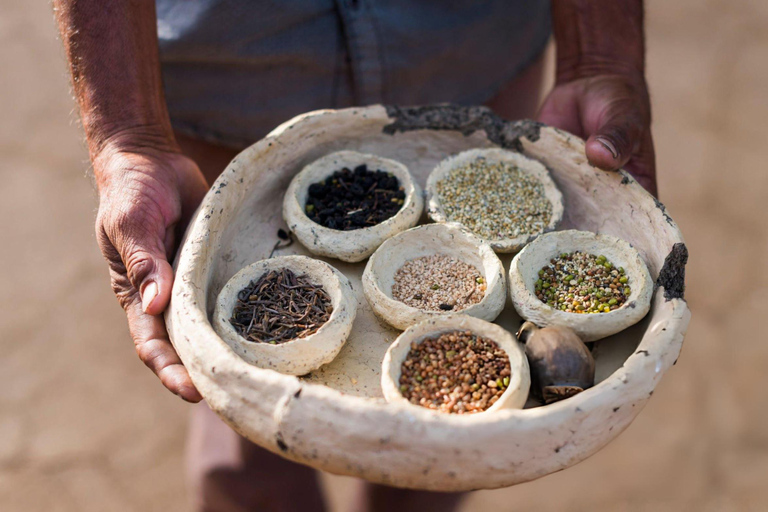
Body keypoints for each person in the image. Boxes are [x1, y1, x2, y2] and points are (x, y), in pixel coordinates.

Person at [53, 1, 656, 510]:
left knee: (438, 466)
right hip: (226, 74)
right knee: (240, 421)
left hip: (468, 47)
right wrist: (128, 132)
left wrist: (598, 55)